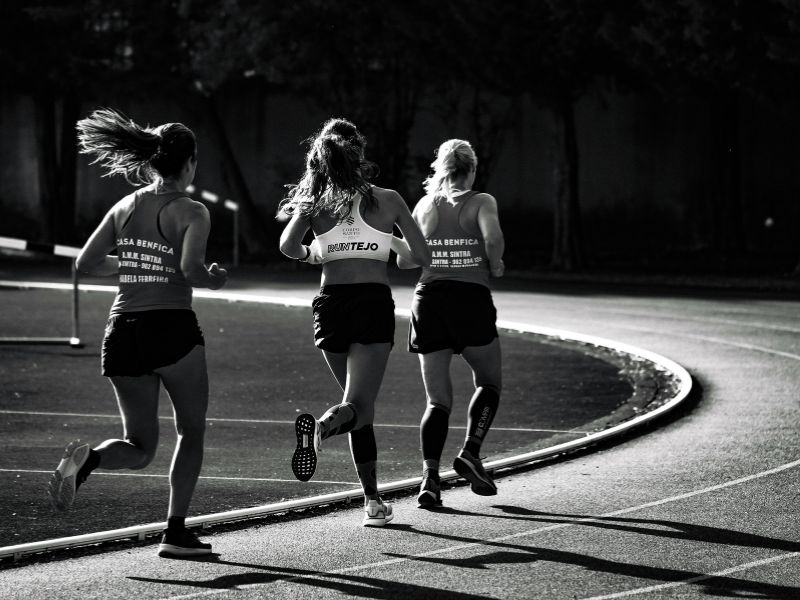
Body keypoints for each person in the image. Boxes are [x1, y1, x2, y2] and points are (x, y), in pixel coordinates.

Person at [47, 108, 228, 558]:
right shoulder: (193, 210)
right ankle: (175, 532)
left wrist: (134, 266)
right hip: (171, 328)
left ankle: (88, 460)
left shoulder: (124, 206)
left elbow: (85, 263)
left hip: (122, 329)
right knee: (190, 430)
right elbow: (189, 269)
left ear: (151, 161)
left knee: (140, 446)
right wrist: (213, 278)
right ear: (189, 163)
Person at [278, 117, 430, 526]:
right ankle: (323, 428)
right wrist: (392, 245)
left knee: (358, 406)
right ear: (359, 154)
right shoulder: (388, 198)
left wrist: (318, 254)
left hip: (330, 305)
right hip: (370, 304)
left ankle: (373, 502)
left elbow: (288, 246)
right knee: (357, 407)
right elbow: (421, 257)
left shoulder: (314, 201)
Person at [395, 139, 505, 507]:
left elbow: (407, 262)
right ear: (472, 169)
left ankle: (429, 478)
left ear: (440, 169)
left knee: (437, 400)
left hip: (429, 302)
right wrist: (497, 263)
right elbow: (492, 238)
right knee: (489, 381)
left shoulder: (425, 205)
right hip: (470, 299)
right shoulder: (482, 202)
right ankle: (471, 451)